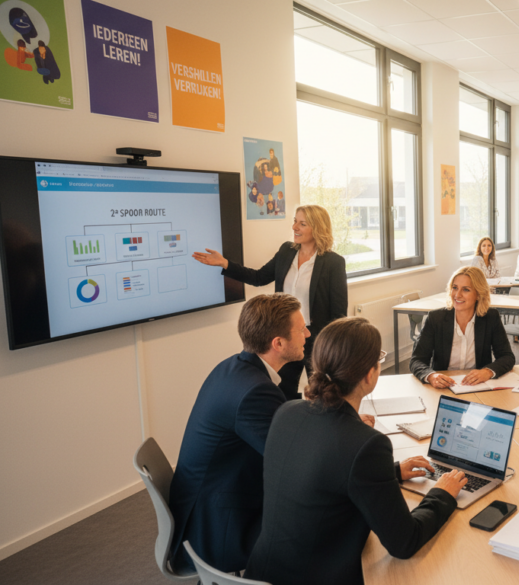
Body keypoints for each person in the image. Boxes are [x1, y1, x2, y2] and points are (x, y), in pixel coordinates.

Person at [244, 317, 465, 585]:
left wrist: (391, 472)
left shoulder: (287, 411)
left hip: (262, 573)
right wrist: (442, 494)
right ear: (369, 374)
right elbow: (404, 543)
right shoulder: (367, 444)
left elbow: (323, 475)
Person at [167, 293, 309, 573]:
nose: (308, 333)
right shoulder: (255, 391)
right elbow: (295, 462)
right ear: (278, 343)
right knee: (327, 518)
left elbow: (280, 426)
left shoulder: (235, 368)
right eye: (301, 329)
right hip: (219, 528)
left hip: (208, 503)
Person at [193, 204, 347, 399]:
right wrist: (226, 264)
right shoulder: (286, 251)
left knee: (323, 393)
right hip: (284, 336)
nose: (294, 228)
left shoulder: (333, 262)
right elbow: (258, 277)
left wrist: (334, 348)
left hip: (316, 339)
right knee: (282, 391)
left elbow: (339, 314)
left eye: (302, 224)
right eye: (294, 222)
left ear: (317, 228)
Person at [410, 266, 515, 389]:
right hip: (444, 386)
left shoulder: (491, 317)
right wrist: (432, 376)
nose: (457, 295)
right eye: (454, 288)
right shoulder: (436, 318)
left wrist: (487, 372)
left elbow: (507, 357)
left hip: (478, 385)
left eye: (466, 290)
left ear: (478, 294)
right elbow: (417, 360)